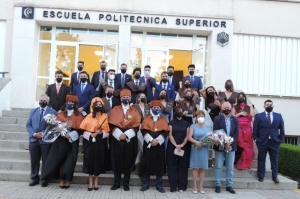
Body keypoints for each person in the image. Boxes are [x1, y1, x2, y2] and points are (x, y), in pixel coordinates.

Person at [41, 93, 83, 189]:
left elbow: (80, 130)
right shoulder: (60, 114)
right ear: (66, 102)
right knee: (57, 160)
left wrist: (70, 135)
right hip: (60, 140)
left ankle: (67, 180)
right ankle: (59, 179)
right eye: (69, 102)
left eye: (72, 102)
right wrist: (59, 130)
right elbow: (54, 125)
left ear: (76, 104)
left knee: (69, 162)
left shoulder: (79, 115)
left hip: (72, 141)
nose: (70, 103)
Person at [108, 89, 142, 191]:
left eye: (127, 97)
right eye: (123, 97)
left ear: (130, 98)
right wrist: (119, 134)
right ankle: (117, 182)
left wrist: (126, 135)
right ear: (120, 98)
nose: (125, 99)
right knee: (116, 159)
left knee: (128, 159)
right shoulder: (115, 109)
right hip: (116, 138)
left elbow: (136, 125)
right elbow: (111, 124)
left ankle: (126, 182)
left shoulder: (134, 110)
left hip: (129, 138)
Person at [80, 97, 111, 191]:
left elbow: (108, 131)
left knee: (99, 160)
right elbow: (83, 131)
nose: (98, 106)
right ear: (93, 106)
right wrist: (91, 134)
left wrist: (102, 133)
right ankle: (90, 181)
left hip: (100, 141)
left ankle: (96, 180)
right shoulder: (88, 117)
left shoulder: (105, 116)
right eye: (97, 105)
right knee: (89, 160)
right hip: (90, 141)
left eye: (100, 105)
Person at [26, 94, 57, 187]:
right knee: (34, 160)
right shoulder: (33, 111)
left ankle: (45, 178)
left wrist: (43, 133)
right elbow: (28, 125)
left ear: (47, 101)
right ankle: (34, 178)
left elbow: (53, 126)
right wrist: (34, 134)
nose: (42, 101)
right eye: (41, 100)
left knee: (45, 160)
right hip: (33, 140)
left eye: (44, 100)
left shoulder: (52, 112)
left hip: (45, 140)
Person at [140, 100, 170, 193]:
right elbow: (143, 131)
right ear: (151, 108)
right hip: (148, 144)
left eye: (158, 108)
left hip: (159, 145)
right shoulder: (146, 118)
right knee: (147, 163)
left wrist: (157, 141)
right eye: (154, 108)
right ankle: (146, 183)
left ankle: (159, 184)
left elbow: (165, 132)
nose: (156, 109)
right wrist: (151, 140)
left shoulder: (164, 119)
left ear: (160, 109)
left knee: (160, 164)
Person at [253, 100, 285, 183]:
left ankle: (275, 177)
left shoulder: (278, 116)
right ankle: (261, 176)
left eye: (270, 105)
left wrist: (280, 139)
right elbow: (255, 130)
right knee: (261, 159)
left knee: (274, 160)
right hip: (262, 142)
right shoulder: (259, 116)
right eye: (267, 105)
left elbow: (282, 129)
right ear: (264, 106)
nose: (269, 106)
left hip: (274, 142)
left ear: (273, 106)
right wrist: (257, 140)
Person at [213, 102, 239, 194]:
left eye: (228, 107)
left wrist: (229, 143)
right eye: (225, 107)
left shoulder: (235, 119)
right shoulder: (217, 118)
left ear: (231, 108)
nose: (227, 109)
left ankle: (229, 185)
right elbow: (215, 131)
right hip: (220, 145)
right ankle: (218, 184)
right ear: (222, 109)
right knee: (219, 166)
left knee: (230, 166)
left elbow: (236, 133)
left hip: (231, 146)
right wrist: (223, 143)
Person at [167, 106, 190, 192]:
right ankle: (173, 187)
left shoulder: (186, 123)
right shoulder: (171, 123)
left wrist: (182, 144)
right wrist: (176, 145)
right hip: (172, 146)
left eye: (181, 111)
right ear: (175, 112)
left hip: (184, 146)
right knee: (172, 166)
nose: (179, 112)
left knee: (183, 166)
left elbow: (187, 136)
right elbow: (170, 135)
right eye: (178, 111)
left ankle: (182, 186)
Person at [188, 110, 211, 194]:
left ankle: (201, 185)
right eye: (199, 116)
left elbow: (211, 138)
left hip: (204, 148)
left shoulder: (208, 127)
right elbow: (189, 137)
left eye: (202, 116)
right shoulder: (192, 126)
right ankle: (194, 185)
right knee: (195, 167)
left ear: (204, 117)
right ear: (196, 118)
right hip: (195, 147)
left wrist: (205, 142)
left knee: (202, 167)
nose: (200, 118)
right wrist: (196, 142)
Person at [232, 92, 255, 169]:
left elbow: (252, 115)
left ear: (245, 98)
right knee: (241, 144)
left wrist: (251, 107)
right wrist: (240, 114)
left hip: (247, 128)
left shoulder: (248, 107)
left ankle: (247, 162)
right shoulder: (235, 107)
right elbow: (232, 117)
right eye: (239, 96)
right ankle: (239, 161)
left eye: (243, 96)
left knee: (248, 145)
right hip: (238, 127)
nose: (241, 98)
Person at [133, 93, 151, 165]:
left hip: (147, 127)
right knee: (141, 143)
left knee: (144, 142)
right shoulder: (134, 106)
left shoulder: (148, 106)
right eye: (141, 97)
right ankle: (143, 159)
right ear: (138, 98)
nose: (143, 98)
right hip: (138, 127)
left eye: (144, 96)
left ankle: (139, 160)